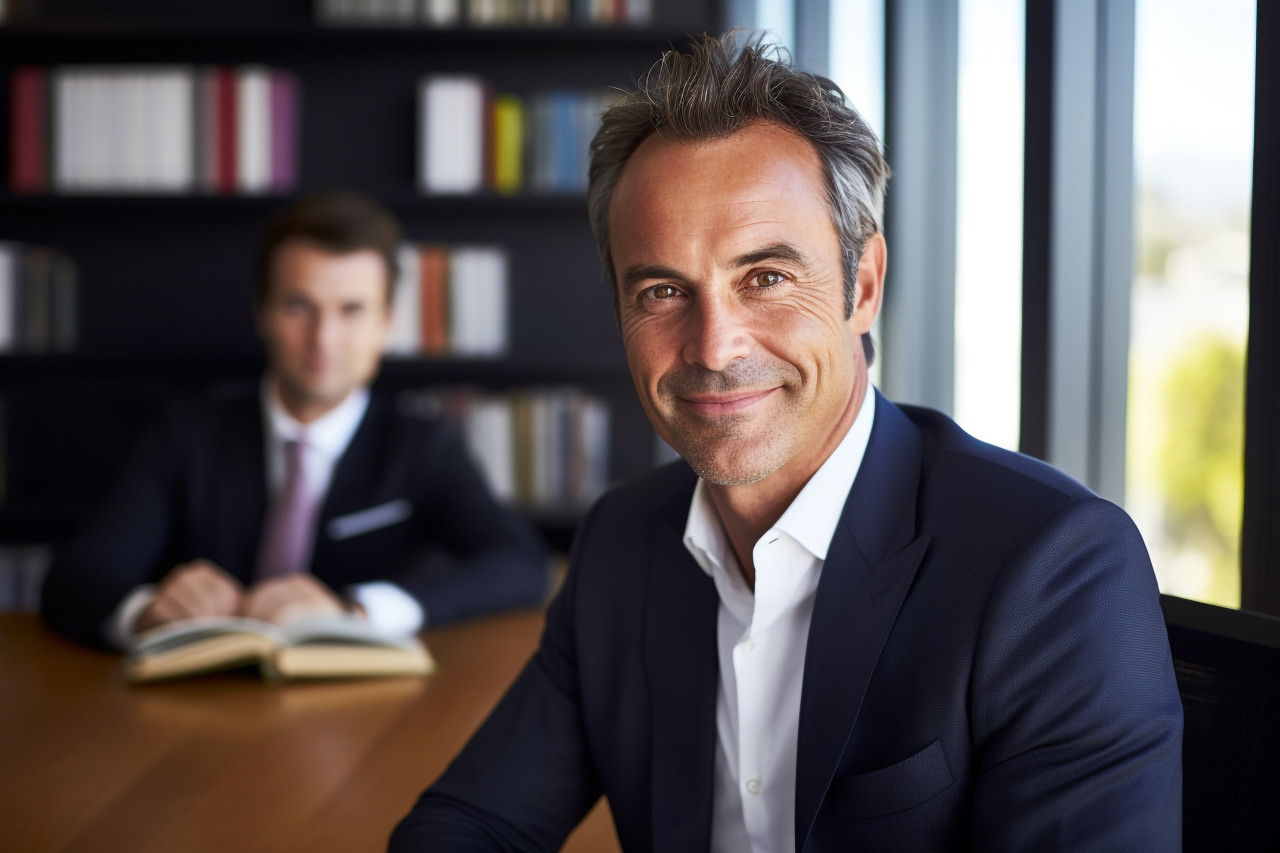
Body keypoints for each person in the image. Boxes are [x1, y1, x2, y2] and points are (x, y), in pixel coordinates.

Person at [390, 32, 1183, 852]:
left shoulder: (1053, 566)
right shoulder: (621, 543)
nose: (714, 346)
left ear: (862, 286)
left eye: (764, 277)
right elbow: (471, 822)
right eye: (662, 290)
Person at [41, 192, 549, 650]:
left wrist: (357, 612)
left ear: (386, 324)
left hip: (368, 718)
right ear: (262, 312)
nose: (323, 339)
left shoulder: (423, 443)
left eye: (351, 310)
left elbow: (520, 564)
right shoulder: (186, 433)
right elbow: (76, 577)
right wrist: (147, 611)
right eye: (298, 307)